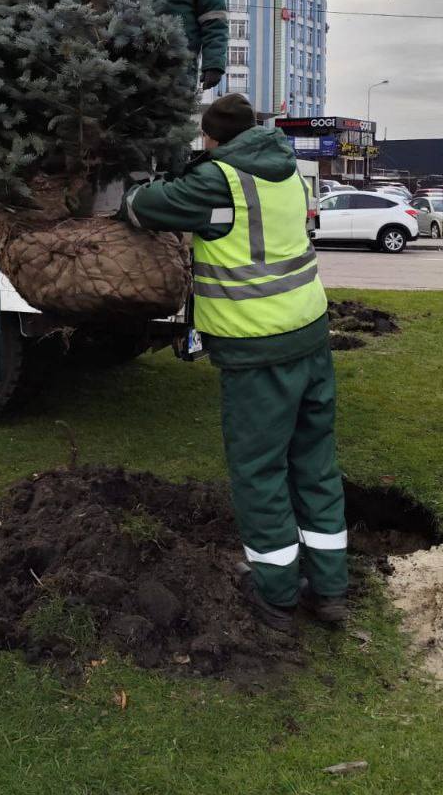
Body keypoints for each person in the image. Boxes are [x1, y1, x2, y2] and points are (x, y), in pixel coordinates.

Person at [120, 93, 348, 629]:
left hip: (256, 349)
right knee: (314, 463)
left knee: (260, 470)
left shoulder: (219, 181)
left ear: (211, 138)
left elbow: (142, 207)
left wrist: (136, 187)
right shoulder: (287, 172)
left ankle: (276, 594)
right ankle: (331, 588)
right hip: (310, 337)